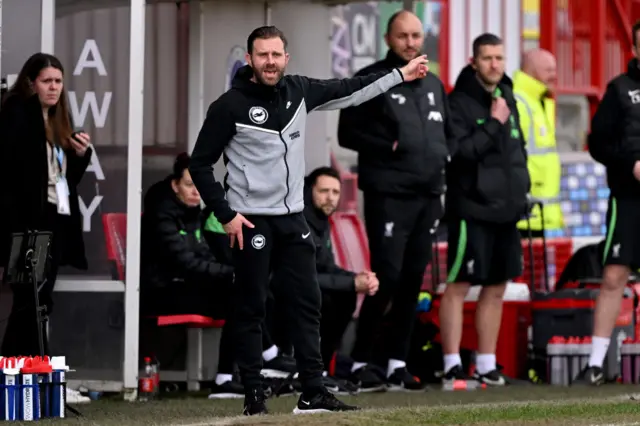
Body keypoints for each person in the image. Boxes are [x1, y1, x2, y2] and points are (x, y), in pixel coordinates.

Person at [189, 25, 428, 415]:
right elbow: (200, 165)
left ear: (287, 57)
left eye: (276, 54)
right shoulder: (229, 106)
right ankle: (253, 395)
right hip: (251, 221)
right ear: (249, 59)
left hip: (291, 217)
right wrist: (226, 213)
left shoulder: (299, 90)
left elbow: (351, 89)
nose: (270, 62)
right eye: (262, 55)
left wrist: (399, 75)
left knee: (308, 301)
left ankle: (312, 391)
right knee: (251, 307)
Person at [337, 10, 454, 391]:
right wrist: (392, 145)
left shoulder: (434, 83)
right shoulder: (372, 78)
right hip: (389, 194)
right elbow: (346, 133)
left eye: (416, 35)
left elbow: (447, 136)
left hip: (428, 195)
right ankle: (359, 362)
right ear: (388, 39)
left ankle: (397, 364)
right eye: (402, 36)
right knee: (385, 277)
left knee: (411, 282)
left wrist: (442, 161)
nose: (410, 43)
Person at [0, 53, 92, 404]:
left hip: (53, 220)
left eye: (58, 81)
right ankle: (32, 376)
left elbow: (63, 183)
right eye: (46, 81)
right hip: (27, 224)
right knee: (31, 299)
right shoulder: (17, 116)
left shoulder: (57, 121)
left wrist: (80, 156)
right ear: (31, 83)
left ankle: (29, 376)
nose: (53, 88)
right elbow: (15, 176)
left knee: (38, 301)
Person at [440, 33, 530, 387]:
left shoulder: (508, 97)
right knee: (459, 284)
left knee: (496, 287)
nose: (495, 65)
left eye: (499, 58)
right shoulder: (459, 102)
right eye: (487, 58)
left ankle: (487, 364)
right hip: (472, 209)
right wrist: (493, 122)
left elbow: (515, 151)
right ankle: (451, 364)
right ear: (473, 61)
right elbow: (461, 154)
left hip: (507, 211)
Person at [140, 153, 243, 399]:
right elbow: (184, 262)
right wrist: (229, 273)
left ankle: (235, 374)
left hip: (186, 286)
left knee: (244, 293)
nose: (197, 192)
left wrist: (230, 273)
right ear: (175, 185)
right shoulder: (162, 214)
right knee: (238, 297)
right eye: (190, 185)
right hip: (162, 290)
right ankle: (226, 377)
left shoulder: (192, 212)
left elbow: (203, 256)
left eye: (201, 186)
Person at [577, 20, 640, 385]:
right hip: (628, 199)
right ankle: (597, 362)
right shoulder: (620, 90)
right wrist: (629, 164)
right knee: (614, 275)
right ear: (635, 48)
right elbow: (597, 143)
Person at [302, 167, 378, 394]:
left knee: (345, 295)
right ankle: (308, 370)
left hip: (307, 288)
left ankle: (323, 370)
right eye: (324, 191)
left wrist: (357, 278)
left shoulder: (320, 220)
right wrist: (351, 283)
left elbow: (326, 266)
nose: (330, 197)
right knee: (336, 295)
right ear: (309, 191)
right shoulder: (300, 221)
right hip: (281, 292)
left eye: (335, 192)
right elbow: (303, 276)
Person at [513, 48, 564, 238]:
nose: (554, 75)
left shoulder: (539, 102)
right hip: (525, 210)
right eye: (549, 70)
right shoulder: (520, 102)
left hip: (537, 213)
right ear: (530, 70)